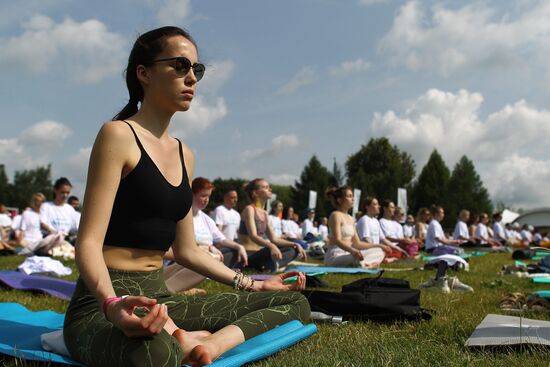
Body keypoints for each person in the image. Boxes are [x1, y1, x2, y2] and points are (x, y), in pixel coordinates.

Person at [63, 26, 309, 367]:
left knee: (294, 304)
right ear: (144, 73)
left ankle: (211, 344)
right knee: (154, 354)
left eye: (197, 69)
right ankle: (177, 338)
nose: (191, 77)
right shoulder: (118, 135)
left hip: (161, 296)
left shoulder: (185, 154)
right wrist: (111, 305)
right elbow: (87, 243)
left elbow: (187, 251)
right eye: (180, 65)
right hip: (102, 304)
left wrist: (253, 284)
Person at [164, 178, 249, 294]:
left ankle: (184, 288)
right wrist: (203, 248)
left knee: (222, 254)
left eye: (208, 196)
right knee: (209, 258)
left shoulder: (206, 219)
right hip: (182, 260)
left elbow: (222, 239)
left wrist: (240, 247)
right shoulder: (179, 216)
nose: (206, 200)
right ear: (191, 195)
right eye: (203, 196)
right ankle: (178, 289)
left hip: (203, 258)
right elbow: (176, 248)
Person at [238, 179, 307, 272]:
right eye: (265, 187)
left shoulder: (265, 214)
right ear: (255, 193)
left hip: (260, 253)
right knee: (268, 250)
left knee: (292, 249)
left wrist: (295, 244)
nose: (270, 189)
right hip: (248, 254)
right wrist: (271, 246)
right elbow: (253, 236)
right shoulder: (249, 209)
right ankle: (272, 265)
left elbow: (274, 239)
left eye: (269, 187)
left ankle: (273, 265)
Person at [324, 187, 390, 268]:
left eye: (352, 196)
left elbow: (357, 243)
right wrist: (353, 251)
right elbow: (338, 240)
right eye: (349, 196)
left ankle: (363, 264)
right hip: (336, 255)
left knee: (379, 251)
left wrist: (379, 246)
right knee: (356, 257)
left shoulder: (351, 219)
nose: (353, 199)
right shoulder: (335, 215)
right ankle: (365, 264)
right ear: (340, 200)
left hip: (350, 254)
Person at [356, 197, 403, 262]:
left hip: (376, 249)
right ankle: (385, 258)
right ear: (367, 207)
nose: (379, 206)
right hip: (368, 250)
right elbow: (366, 240)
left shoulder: (376, 221)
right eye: (375, 204)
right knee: (382, 252)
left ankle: (385, 258)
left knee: (397, 251)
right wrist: (379, 247)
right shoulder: (364, 219)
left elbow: (383, 239)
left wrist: (396, 247)